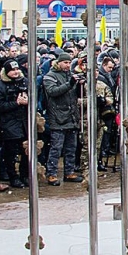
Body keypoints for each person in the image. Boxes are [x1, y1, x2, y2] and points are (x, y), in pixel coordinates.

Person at [41, 52, 84, 186]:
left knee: (71, 147)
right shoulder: (50, 76)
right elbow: (53, 92)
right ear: (58, 62)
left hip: (71, 116)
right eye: (65, 62)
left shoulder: (69, 75)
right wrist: (70, 84)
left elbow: (74, 94)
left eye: (69, 62)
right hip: (58, 117)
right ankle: (51, 174)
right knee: (56, 148)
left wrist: (80, 84)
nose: (67, 65)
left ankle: (69, 172)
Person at [0, 58, 31, 188]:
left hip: (25, 121)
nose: (15, 72)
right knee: (11, 152)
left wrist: (29, 101)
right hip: (9, 122)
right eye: (12, 70)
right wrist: (16, 103)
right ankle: (12, 176)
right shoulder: (0, 86)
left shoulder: (25, 82)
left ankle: (24, 175)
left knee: (27, 150)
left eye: (17, 69)